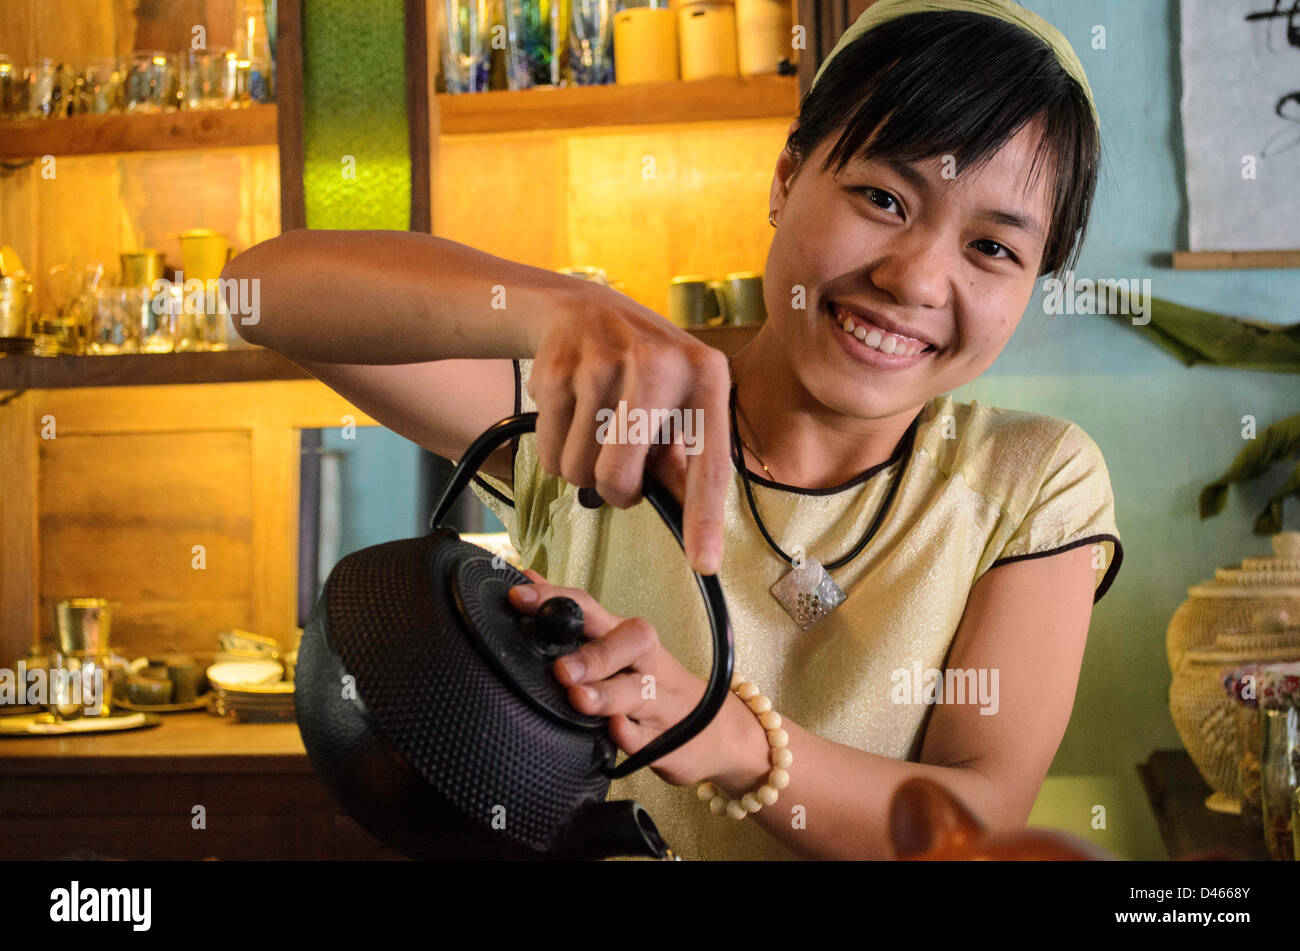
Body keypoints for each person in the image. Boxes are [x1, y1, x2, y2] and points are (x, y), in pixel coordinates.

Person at [224, 0, 1122, 860]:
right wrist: (561, 308)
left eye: (994, 248)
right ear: (785, 177)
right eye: (884, 198)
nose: (918, 280)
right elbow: (261, 294)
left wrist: (722, 733)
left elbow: (981, 815)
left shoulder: (1032, 478)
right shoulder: (614, 408)